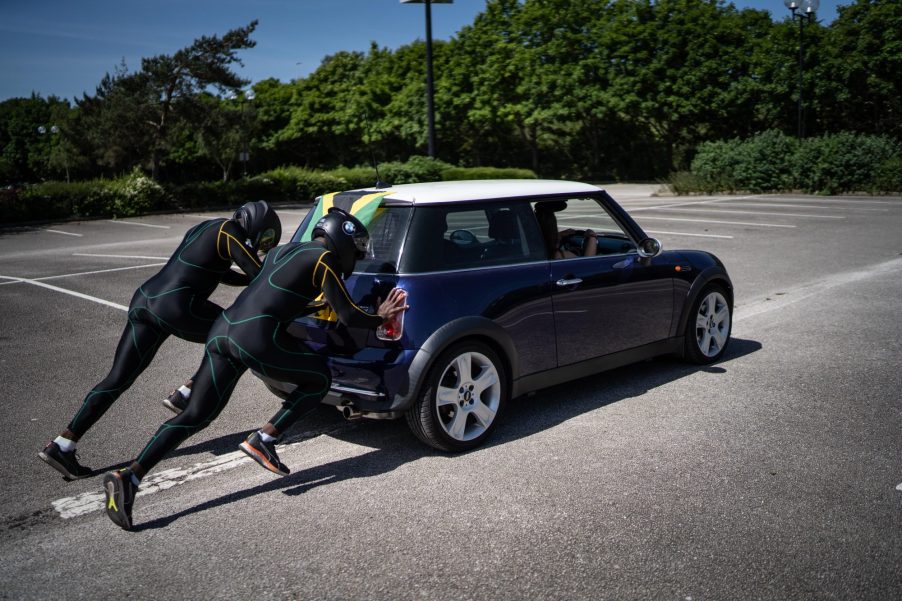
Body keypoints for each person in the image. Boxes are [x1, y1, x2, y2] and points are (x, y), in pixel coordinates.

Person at [102, 207, 409, 530]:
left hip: (223, 329)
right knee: (318, 379)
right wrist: (381, 315)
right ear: (341, 240)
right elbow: (347, 315)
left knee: (194, 415)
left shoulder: (281, 252)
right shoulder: (325, 260)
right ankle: (264, 438)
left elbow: (274, 293)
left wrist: (317, 305)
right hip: (255, 337)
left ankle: (130, 476)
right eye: (355, 251)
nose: (355, 258)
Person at [39, 201, 281, 480]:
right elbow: (258, 275)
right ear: (253, 225)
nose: (260, 243)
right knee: (231, 335)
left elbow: (221, 272)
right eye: (263, 237)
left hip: (145, 300)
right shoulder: (229, 231)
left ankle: (63, 443)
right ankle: (187, 392)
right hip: (176, 305)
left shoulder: (206, 228)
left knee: (117, 378)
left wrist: (248, 276)